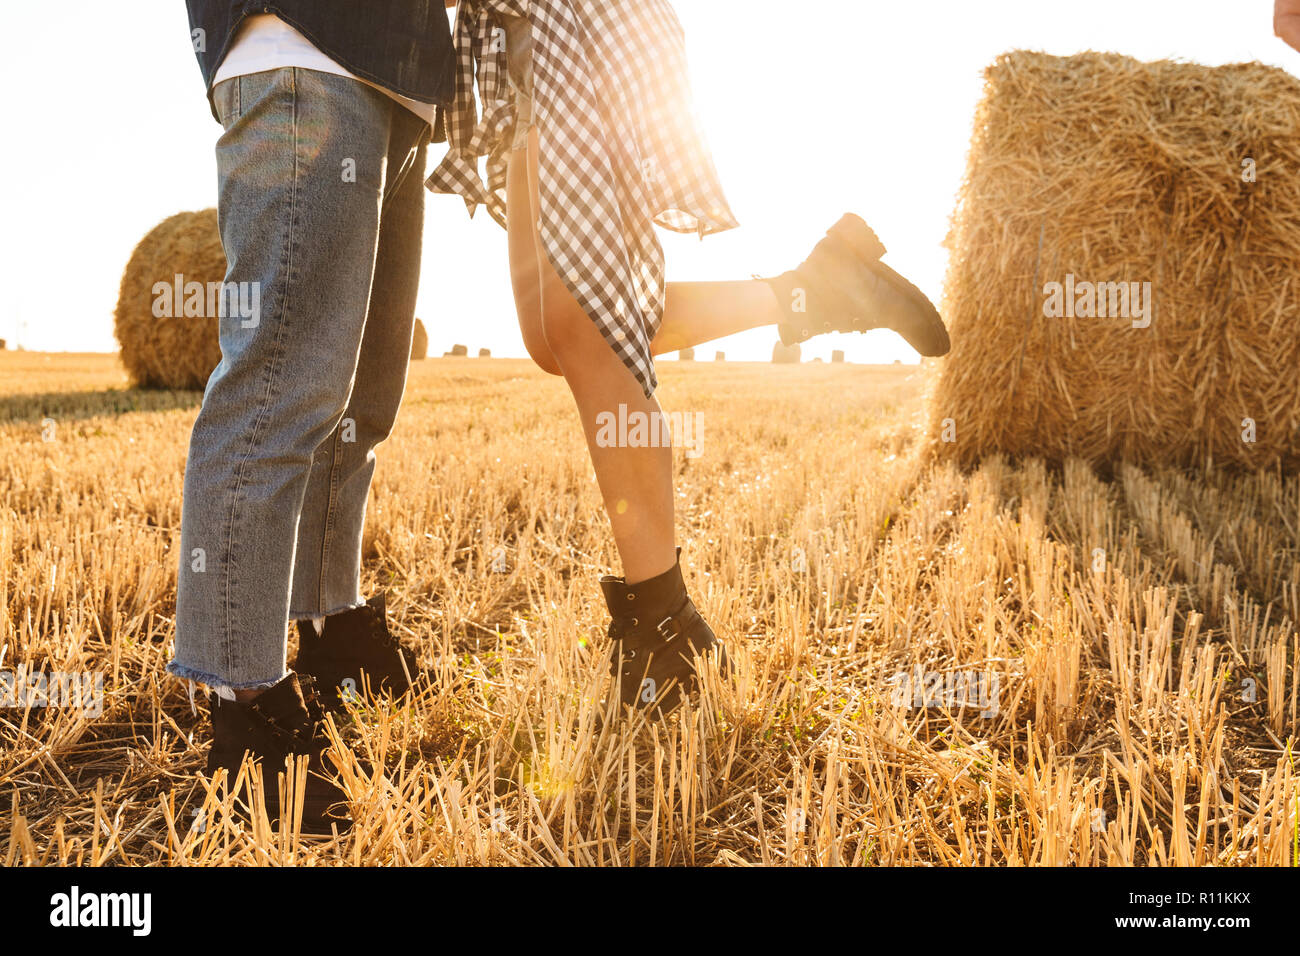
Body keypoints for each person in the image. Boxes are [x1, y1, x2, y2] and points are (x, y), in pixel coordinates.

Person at [428, 0, 950, 716]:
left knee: (582, 316)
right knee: (555, 333)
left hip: (571, 22)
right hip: (520, 36)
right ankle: (813, 292)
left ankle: (664, 622)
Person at [168, 1, 457, 831]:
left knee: (361, 400)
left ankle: (330, 627)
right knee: (277, 386)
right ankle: (244, 707)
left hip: (397, 80)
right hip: (301, 44)